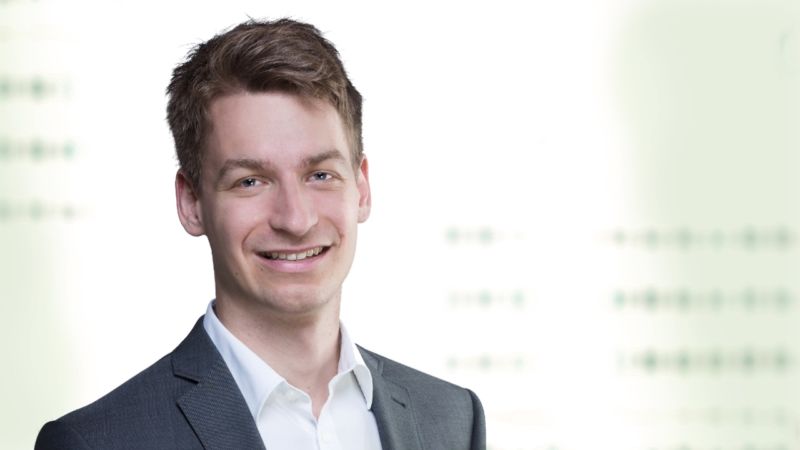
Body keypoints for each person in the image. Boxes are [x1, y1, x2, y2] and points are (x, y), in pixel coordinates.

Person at [35, 18, 485, 450]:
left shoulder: (451, 419)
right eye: (250, 181)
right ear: (191, 203)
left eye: (321, 175)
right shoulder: (98, 442)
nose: (296, 219)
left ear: (362, 188)